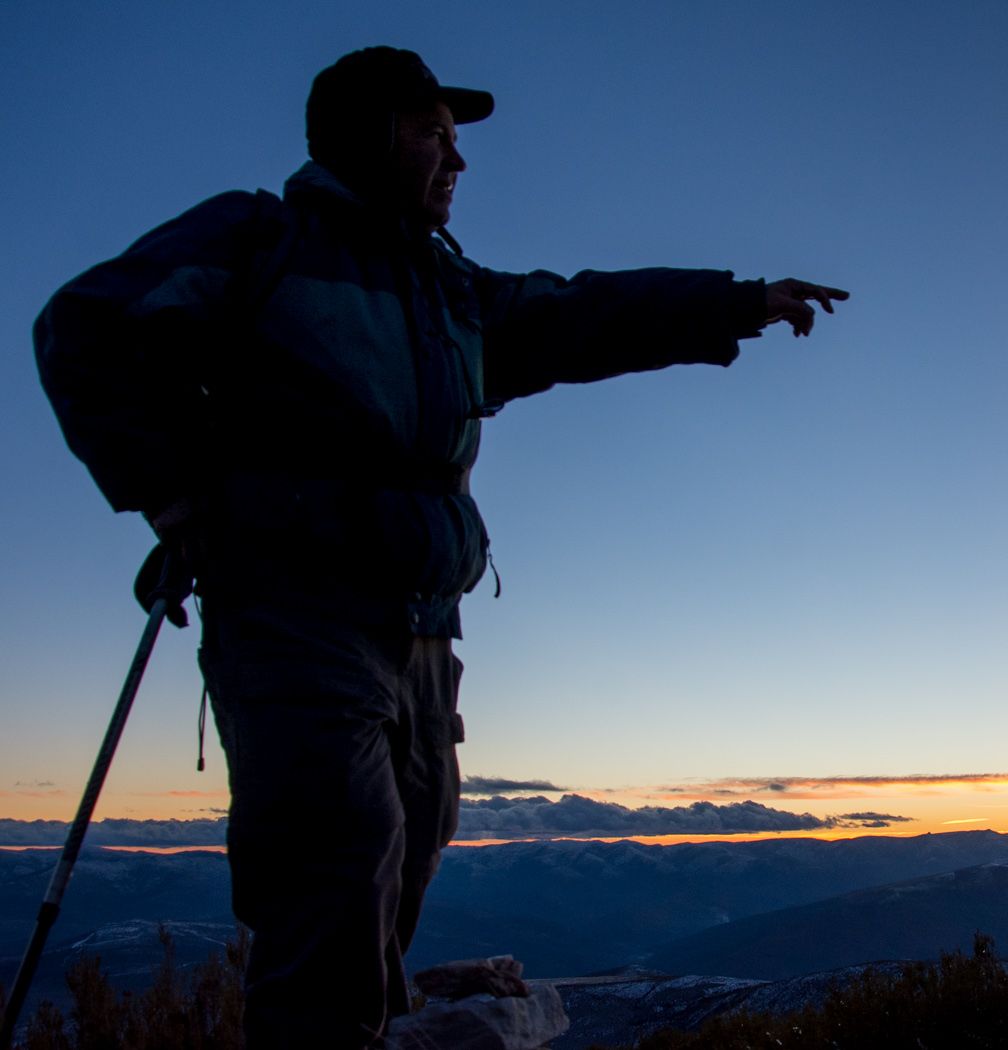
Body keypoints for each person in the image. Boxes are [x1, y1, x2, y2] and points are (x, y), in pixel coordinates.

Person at [35, 46, 847, 1049]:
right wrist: (170, 495)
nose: (456, 162)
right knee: (336, 862)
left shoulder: (450, 295)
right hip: (296, 616)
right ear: (367, 138)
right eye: (433, 135)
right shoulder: (264, 241)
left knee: (403, 855)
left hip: (421, 631)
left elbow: (581, 311)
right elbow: (86, 327)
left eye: (455, 143)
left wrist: (734, 301)